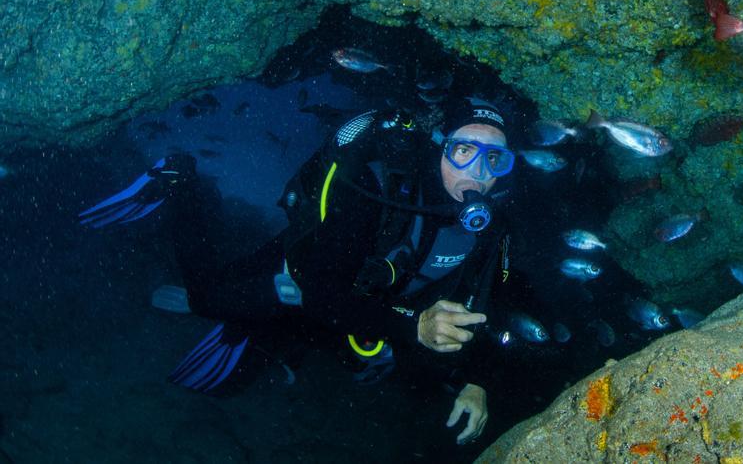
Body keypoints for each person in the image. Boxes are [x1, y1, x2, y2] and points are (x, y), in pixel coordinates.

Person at [79, 95, 525, 446]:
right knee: (205, 296)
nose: (478, 174)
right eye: (464, 150)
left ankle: (265, 335)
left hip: (361, 307)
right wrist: (414, 329)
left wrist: (477, 381)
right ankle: (181, 184)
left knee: (321, 346)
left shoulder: (490, 225)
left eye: (494, 159)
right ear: (438, 146)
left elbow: (493, 303)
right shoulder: (376, 186)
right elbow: (321, 292)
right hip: (300, 275)